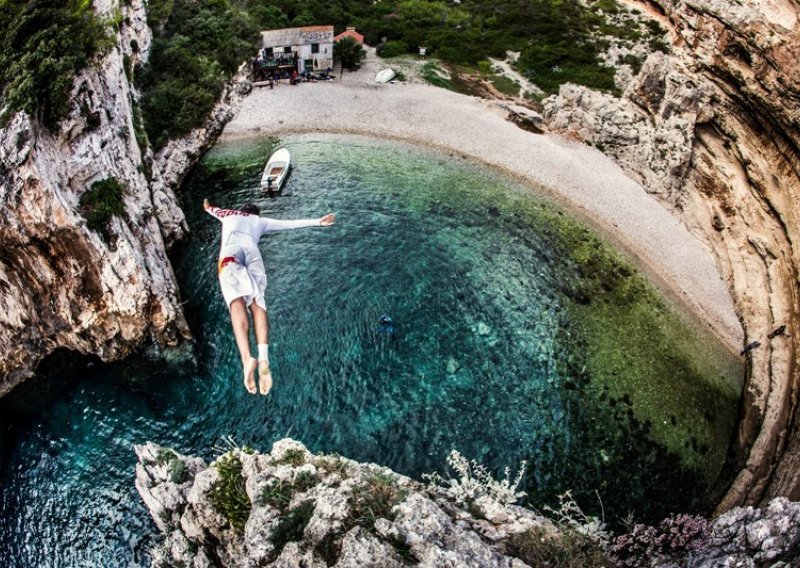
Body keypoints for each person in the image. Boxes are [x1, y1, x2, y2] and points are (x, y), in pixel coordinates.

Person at [204, 198, 335, 395]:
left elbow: (211, 209)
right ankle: (264, 356)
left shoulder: (228, 214)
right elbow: (289, 225)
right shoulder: (259, 221)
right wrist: (318, 221)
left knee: (236, 302)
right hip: (252, 252)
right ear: (256, 213)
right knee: (257, 304)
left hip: (230, 253)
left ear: (240, 210)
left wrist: (207, 206)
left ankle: (247, 357)